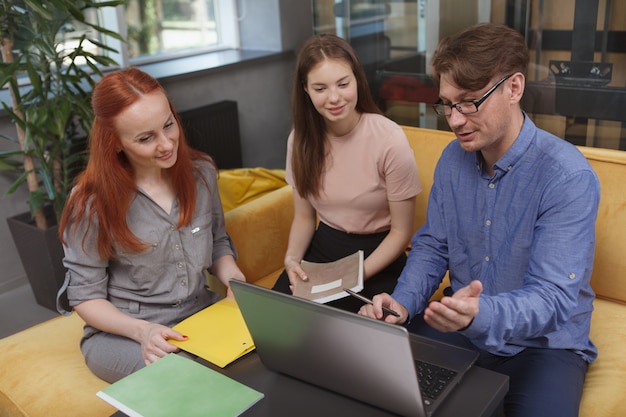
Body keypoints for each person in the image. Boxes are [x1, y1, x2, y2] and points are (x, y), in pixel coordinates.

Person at [358, 23, 599, 417]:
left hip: (543, 346)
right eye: (446, 104)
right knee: (373, 387)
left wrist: (480, 313)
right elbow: (434, 245)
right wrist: (401, 304)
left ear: (514, 88)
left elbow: (553, 299)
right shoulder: (453, 159)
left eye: (469, 102)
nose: (454, 120)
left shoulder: (567, 177)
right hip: (463, 330)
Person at [57, 67, 245, 383]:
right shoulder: (90, 203)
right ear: (115, 143)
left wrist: (236, 282)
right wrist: (143, 332)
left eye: (169, 125)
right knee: (192, 376)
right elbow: (85, 297)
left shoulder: (201, 174)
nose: (167, 144)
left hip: (200, 314)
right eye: (146, 138)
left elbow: (218, 241)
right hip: (127, 334)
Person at [271, 34, 421, 312]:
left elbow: (402, 232)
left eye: (343, 84)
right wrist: (292, 259)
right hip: (325, 247)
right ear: (305, 89)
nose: (334, 98)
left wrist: (351, 278)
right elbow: (304, 217)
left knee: (355, 336)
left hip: (379, 254)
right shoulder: (299, 141)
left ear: (357, 80)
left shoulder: (388, 138)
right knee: (276, 317)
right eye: (320, 88)